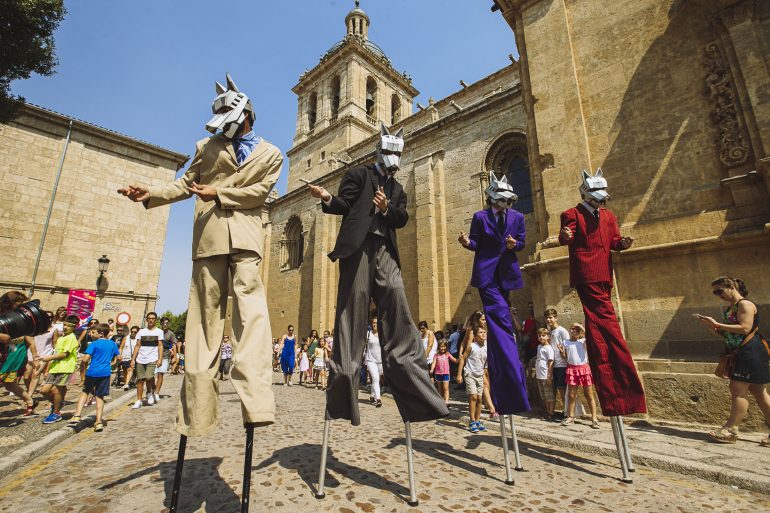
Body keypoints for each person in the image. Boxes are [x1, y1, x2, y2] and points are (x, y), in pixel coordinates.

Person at [118, 73, 282, 436]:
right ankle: (198, 414)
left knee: (251, 315)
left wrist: (219, 194)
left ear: (246, 116)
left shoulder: (272, 154)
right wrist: (151, 193)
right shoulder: (205, 146)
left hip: (246, 240)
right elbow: (184, 183)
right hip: (208, 238)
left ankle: (257, 401)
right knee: (203, 323)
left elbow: (259, 193)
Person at [307, 123, 448, 426]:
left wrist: (385, 209)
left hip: (385, 249)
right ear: (379, 150)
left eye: (398, 152)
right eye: (389, 151)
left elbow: (402, 218)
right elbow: (344, 205)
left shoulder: (397, 189)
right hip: (358, 248)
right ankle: (344, 380)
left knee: (397, 299)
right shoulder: (358, 174)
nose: (393, 156)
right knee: (352, 306)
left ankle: (412, 376)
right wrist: (327, 197)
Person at [559, 168, 646, 416]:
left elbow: (614, 241)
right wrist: (565, 235)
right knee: (605, 323)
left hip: (605, 274)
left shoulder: (608, 216)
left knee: (599, 325)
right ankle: (614, 381)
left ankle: (611, 380)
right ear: (586, 193)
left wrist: (623, 244)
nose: (601, 199)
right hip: (587, 273)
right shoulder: (571, 214)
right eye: (596, 195)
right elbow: (566, 236)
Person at [458, 171, 530, 418]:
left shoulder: (518, 217)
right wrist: (467, 243)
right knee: (499, 315)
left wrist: (514, 245)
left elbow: (521, 242)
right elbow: (477, 243)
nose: (506, 203)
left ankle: (508, 367)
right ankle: (509, 365)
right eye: (502, 199)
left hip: (507, 274)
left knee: (502, 318)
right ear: (492, 197)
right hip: (486, 275)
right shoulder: (480, 217)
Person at [697, 276, 770, 445]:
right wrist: (713, 327)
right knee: (759, 393)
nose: (717, 295)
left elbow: (745, 328)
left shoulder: (744, 304)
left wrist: (718, 324)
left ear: (731, 287)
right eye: (715, 292)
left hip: (749, 352)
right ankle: (731, 430)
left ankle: (730, 430)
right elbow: (730, 333)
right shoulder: (730, 308)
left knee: (737, 390)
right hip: (741, 352)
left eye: (719, 291)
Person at [70, 323, 119, 432]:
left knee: (85, 392)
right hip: (105, 373)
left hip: (92, 372)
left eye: (93, 332)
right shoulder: (113, 344)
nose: (91, 334)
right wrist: (112, 364)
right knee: (100, 397)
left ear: (101, 333)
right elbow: (118, 357)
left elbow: (85, 359)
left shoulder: (94, 344)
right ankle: (98, 422)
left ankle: (77, 415)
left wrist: (82, 364)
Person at [0, 291, 39, 416]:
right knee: (10, 384)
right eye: (19, 303)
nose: (21, 306)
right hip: (7, 353)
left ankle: (30, 401)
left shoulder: (19, 318)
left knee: (8, 383)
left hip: (11, 354)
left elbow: (30, 340)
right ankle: (30, 401)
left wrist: (35, 357)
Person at [38, 314, 80, 423]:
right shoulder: (62, 337)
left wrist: (48, 358)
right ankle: (59, 402)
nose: (65, 327)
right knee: (44, 390)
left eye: (68, 326)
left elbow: (64, 354)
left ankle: (56, 413)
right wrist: (47, 367)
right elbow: (56, 352)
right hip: (55, 367)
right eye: (64, 325)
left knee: (57, 391)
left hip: (65, 368)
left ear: (74, 327)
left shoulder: (71, 338)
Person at [559, 323, 599, 428]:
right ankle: (571, 416)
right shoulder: (565, 342)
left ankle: (594, 418)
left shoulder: (583, 342)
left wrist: (580, 327)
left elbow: (589, 336)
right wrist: (562, 353)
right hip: (572, 369)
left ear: (580, 332)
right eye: (572, 329)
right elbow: (564, 357)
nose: (574, 331)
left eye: (577, 330)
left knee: (589, 395)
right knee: (571, 395)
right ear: (569, 330)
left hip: (584, 369)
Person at [457, 326, 488, 432]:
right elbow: (462, 359)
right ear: (475, 336)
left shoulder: (487, 347)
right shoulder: (471, 346)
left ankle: (478, 421)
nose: (483, 334)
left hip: (480, 375)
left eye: (484, 332)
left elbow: (485, 363)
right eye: (481, 332)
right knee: (473, 397)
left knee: (480, 399)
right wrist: (459, 374)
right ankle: (472, 421)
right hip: (469, 374)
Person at [130, 312, 163, 409]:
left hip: (152, 358)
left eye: (153, 318)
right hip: (140, 359)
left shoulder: (159, 332)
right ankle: (139, 400)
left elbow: (160, 345)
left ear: (155, 320)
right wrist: (133, 359)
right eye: (149, 318)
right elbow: (137, 346)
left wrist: (160, 358)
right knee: (140, 380)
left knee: (149, 377)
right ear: (147, 319)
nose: (151, 320)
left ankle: (149, 392)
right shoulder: (141, 332)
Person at [545, 308, 569, 418]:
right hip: (554, 364)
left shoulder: (562, 331)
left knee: (563, 390)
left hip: (562, 364)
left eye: (551, 317)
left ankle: (568, 412)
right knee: (555, 389)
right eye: (547, 318)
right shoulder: (549, 331)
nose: (549, 320)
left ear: (556, 318)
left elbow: (567, 346)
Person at [26, 310, 55, 396]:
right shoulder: (33, 328)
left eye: (50, 317)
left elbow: (55, 344)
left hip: (45, 354)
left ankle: (29, 397)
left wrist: (52, 358)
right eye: (47, 316)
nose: (48, 318)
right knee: (26, 377)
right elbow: (29, 340)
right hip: (32, 354)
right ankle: (29, 390)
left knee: (36, 374)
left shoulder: (53, 329)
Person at [534, 328, 555, 420]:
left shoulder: (549, 348)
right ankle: (547, 411)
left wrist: (549, 375)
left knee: (549, 395)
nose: (541, 337)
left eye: (543, 335)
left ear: (548, 337)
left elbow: (550, 362)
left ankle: (551, 412)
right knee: (544, 395)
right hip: (539, 374)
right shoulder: (539, 347)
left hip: (545, 374)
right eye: (539, 336)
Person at [155, 316, 177, 399]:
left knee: (160, 375)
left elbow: (174, 344)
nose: (165, 325)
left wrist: (175, 356)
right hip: (154, 356)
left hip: (165, 356)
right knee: (150, 376)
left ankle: (156, 393)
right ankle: (153, 389)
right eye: (163, 323)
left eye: (167, 323)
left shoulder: (171, 334)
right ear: (160, 324)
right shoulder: (156, 331)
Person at [364, 315, 383, 407]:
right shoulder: (368, 333)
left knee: (377, 379)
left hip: (380, 360)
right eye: (373, 323)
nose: (374, 324)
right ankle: (378, 399)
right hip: (370, 360)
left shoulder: (383, 334)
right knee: (375, 378)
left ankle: (372, 395)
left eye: (376, 323)